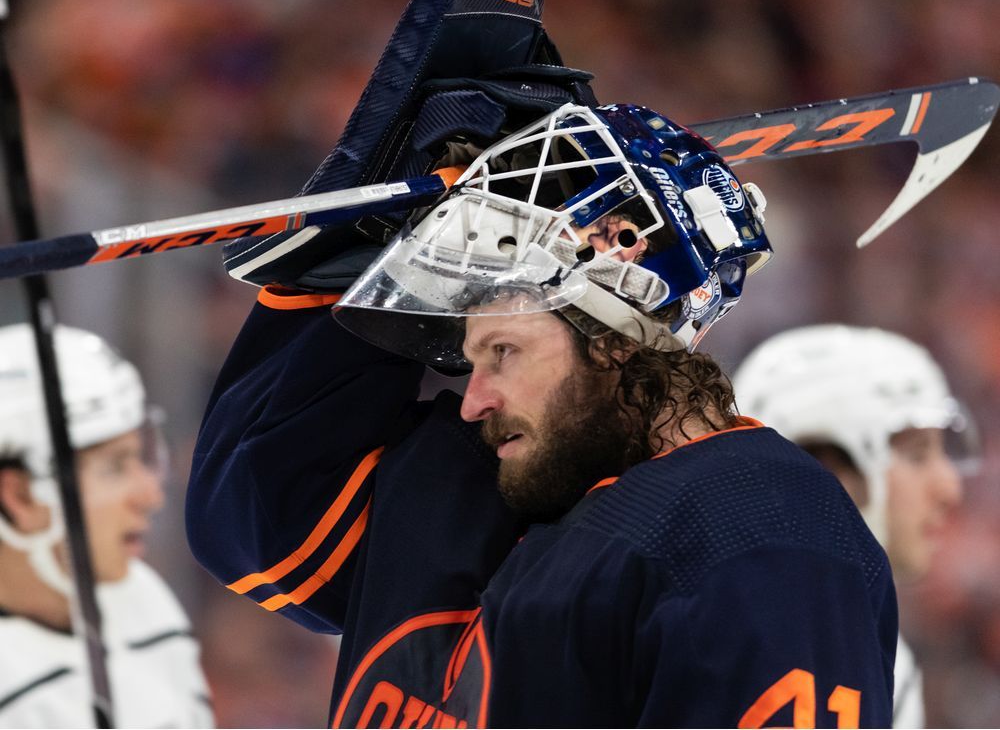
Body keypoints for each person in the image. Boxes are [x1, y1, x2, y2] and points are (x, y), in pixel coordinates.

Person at [188, 103, 897, 727]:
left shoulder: (761, 522)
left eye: (503, 350)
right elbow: (246, 516)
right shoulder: (472, 485)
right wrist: (382, 198)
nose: (473, 397)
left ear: (619, 333)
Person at [733, 324, 975, 728]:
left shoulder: (873, 648)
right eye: (917, 455)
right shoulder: (732, 633)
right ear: (823, 469)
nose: (950, 488)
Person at [0, 323, 214, 728]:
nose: (150, 495)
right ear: (21, 497)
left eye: (142, 457)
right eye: (115, 467)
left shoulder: (140, 597)